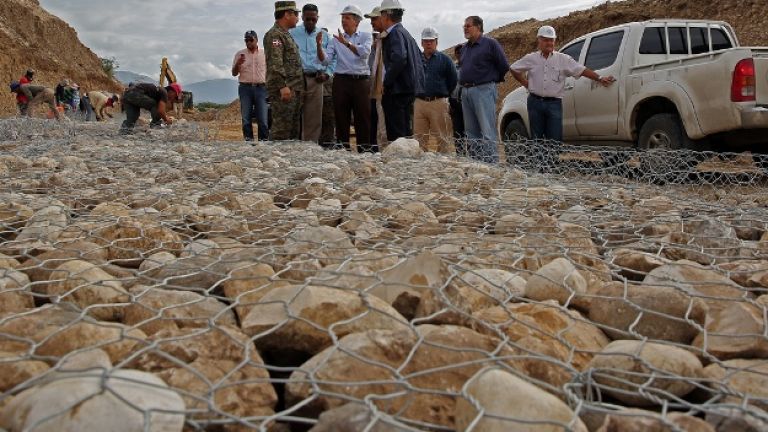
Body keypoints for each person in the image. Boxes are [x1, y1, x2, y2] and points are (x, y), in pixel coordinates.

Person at [510, 25, 615, 142]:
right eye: (545, 40)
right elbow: (514, 68)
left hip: (554, 104)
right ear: (539, 41)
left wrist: (600, 78)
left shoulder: (563, 59)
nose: (549, 43)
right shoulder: (531, 58)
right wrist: (525, 83)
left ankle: (552, 160)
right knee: (537, 138)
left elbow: (581, 70)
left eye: (551, 40)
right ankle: (539, 160)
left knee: (555, 138)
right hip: (535, 103)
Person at [317, 4, 373, 152]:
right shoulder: (335, 40)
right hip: (341, 82)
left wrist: (347, 44)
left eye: (347, 18)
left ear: (357, 21)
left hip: (361, 82)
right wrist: (318, 46)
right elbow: (326, 61)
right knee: (341, 118)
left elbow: (364, 54)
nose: (343, 21)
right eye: (342, 18)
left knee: (363, 118)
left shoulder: (366, 36)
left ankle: (364, 152)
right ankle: (343, 152)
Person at [459, 16, 509, 163]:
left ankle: (491, 166)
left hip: (483, 90)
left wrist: (491, 80)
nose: (465, 28)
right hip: (466, 92)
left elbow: (504, 66)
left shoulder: (490, 44)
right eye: (464, 25)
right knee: (471, 133)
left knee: (487, 131)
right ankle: (477, 165)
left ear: (478, 27)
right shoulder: (464, 48)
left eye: (468, 25)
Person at [378, 0, 424, 142]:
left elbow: (399, 58)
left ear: (386, 15)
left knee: (397, 134)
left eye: (381, 14)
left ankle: (399, 162)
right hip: (407, 90)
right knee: (405, 132)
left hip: (397, 91)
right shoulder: (406, 34)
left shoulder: (395, 33)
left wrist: (387, 82)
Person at [290, 4, 334, 143]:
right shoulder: (292, 33)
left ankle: (310, 148)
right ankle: (292, 147)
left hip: (316, 79)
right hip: (296, 79)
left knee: (314, 117)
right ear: (302, 17)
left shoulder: (325, 36)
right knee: (293, 114)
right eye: (307, 19)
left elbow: (333, 59)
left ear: (317, 18)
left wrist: (327, 74)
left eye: (313, 19)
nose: (310, 22)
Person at [414, 27, 457, 153]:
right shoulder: (416, 60)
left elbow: (453, 80)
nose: (428, 43)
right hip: (419, 103)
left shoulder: (445, 60)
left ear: (436, 42)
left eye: (431, 41)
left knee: (442, 137)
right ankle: (420, 165)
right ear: (421, 43)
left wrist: (443, 95)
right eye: (426, 41)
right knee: (419, 138)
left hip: (438, 102)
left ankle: (445, 163)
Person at [265, 1, 304, 141]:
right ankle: (273, 161)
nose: (298, 18)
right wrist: (282, 86)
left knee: (293, 130)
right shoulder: (275, 35)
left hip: (294, 88)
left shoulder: (286, 34)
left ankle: (288, 161)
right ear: (287, 14)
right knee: (281, 130)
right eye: (296, 14)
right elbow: (276, 63)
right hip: (284, 89)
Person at [232, 30, 269, 142]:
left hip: (261, 88)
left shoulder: (265, 54)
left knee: (262, 118)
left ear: (257, 40)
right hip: (245, 88)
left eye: (251, 40)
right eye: (246, 40)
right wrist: (238, 64)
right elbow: (234, 73)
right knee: (246, 118)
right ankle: (249, 142)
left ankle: (264, 142)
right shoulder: (239, 54)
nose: (248, 42)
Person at [366, 7, 387, 148]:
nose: (372, 22)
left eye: (374, 19)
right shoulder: (375, 48)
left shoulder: (390, 40)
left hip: (386, 92)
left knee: (384, 129)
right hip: (374, 93)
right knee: (376, 125)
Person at [449, 44, 466, 156]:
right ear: (455, 54)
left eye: (462, 52)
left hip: (468, 102)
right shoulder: (452, 68)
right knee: (457, 131)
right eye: (458, 52)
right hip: (455, 102)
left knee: (470, 130)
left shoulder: (470, 67)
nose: (460, 54)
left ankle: (473, 156)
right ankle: (460, 155)